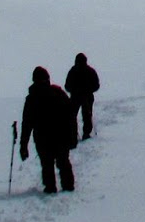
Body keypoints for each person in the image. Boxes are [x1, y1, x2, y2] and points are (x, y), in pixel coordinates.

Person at [19, 66, 78, 194]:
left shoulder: (32, 99)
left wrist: (23, 145)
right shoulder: (58, 94)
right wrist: (73, 136)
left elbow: (27, 124)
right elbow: (71, 117)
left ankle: (51, 188)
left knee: (47, 164)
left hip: (43, 138)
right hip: (60, 136)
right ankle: (67, 187)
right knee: (62, 162)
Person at [64, 52, 100, 139]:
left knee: (73, 116)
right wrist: (89, 90)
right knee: (86, 115)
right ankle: (85, 133)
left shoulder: (73, 71)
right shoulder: (90, 71)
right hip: (85, 97)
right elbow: (96, 85)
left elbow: (67, 86)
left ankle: (74, 134)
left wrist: (74, 91)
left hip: (77, 97)